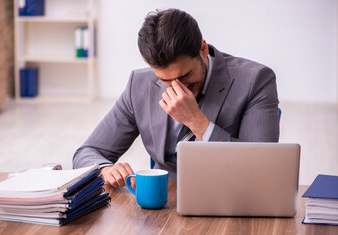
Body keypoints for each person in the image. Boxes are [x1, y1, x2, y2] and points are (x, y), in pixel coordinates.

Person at [73, 8, 279, 188]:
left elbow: (261, 167)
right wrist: (106, 169)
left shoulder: (255, 80)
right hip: (165, 202)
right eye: (165, 80)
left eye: (185, 75)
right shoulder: (139, 84)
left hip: (233, 193)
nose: (177, 87)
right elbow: (87, 152)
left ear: (203, 48)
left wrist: (196, 122)